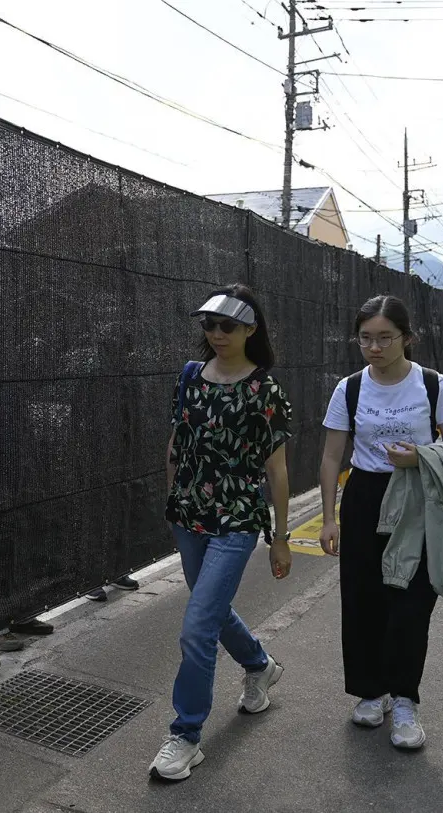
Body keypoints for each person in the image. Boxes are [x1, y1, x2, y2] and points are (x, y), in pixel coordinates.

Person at [149, 284, 293, 782]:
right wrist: (172, 504)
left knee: (196, 627)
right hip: (187, 514)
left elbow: (277, 471)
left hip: (236, 519)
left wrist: (280, 537)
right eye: (208, 325)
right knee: (209, 612)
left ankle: (186, 736)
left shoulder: (264, 389)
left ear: (251, 329)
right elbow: (176, 442)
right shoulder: (190, 375)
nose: (215, 334)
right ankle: (259, 665)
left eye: (227, 326)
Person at [317, 294, 443, 750]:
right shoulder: (351, 388)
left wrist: (420, 456)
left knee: (410, 605)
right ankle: (370, 692)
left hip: (418, 500)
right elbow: (330, 455)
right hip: (364, 498)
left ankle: (404, 701)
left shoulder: (433, 384)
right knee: (362, 600)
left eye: (385, 338)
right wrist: (328, 518)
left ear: (407, 338)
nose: (374, 347)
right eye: (366, 338)